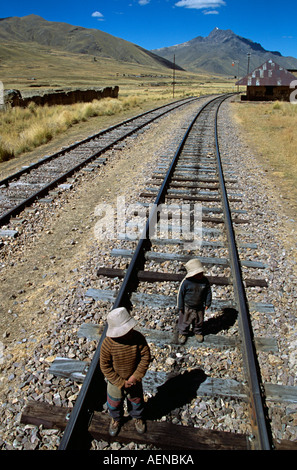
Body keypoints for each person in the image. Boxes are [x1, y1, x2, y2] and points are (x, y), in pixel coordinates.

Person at [100, 307, 151, 437]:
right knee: (114, 402)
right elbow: (105, 366)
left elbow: (145, 357)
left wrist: (136, 376)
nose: (129, 332)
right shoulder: (108, 344)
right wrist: (120, 382)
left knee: (136, 400)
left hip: (133, 379)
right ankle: (116, 419)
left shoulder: (138, 338)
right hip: (115, 381)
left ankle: (137, 416)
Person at [177, 259, 212, 344]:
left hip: (199, 307)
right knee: (185, 321)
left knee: (199, 321)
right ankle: (183, 333)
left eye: (201, 273)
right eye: (197, 274)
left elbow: (208, 292)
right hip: (187, 306)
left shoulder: (204, 281)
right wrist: (180, 306)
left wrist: (208, 302)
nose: (200, 275)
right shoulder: (186, 283)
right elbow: (180, 295)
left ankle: (198, 332)